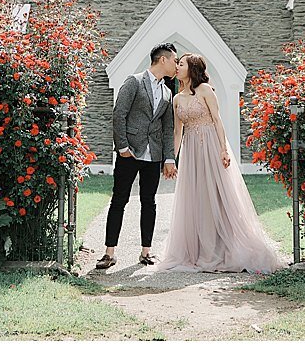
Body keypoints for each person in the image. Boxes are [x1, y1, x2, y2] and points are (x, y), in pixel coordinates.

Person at [156, 53, 284, 274]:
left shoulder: (206, 90)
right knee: (195, 197)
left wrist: (223, 149)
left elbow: (217, 120)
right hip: (191, 151)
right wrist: (171, 160)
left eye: (181, 64)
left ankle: (223, 246)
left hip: (211, 147)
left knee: (216, 194)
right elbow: (178, 132)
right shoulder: (177, 98)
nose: (177, 67)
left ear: (192, 68)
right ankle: (200, 250)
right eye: (177, 63)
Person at [95, 42, 178, 270]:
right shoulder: (134, 81)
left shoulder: (167, 92)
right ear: (163, 59)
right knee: (119, 200)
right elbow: (119, 114)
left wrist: (169, 158)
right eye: (174, 60)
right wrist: (122, 147)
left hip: (154, 155)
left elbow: (167, 128)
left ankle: (146, 252)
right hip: (129, 153)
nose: (177, 65)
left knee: (149, 202)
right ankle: (109, 253)